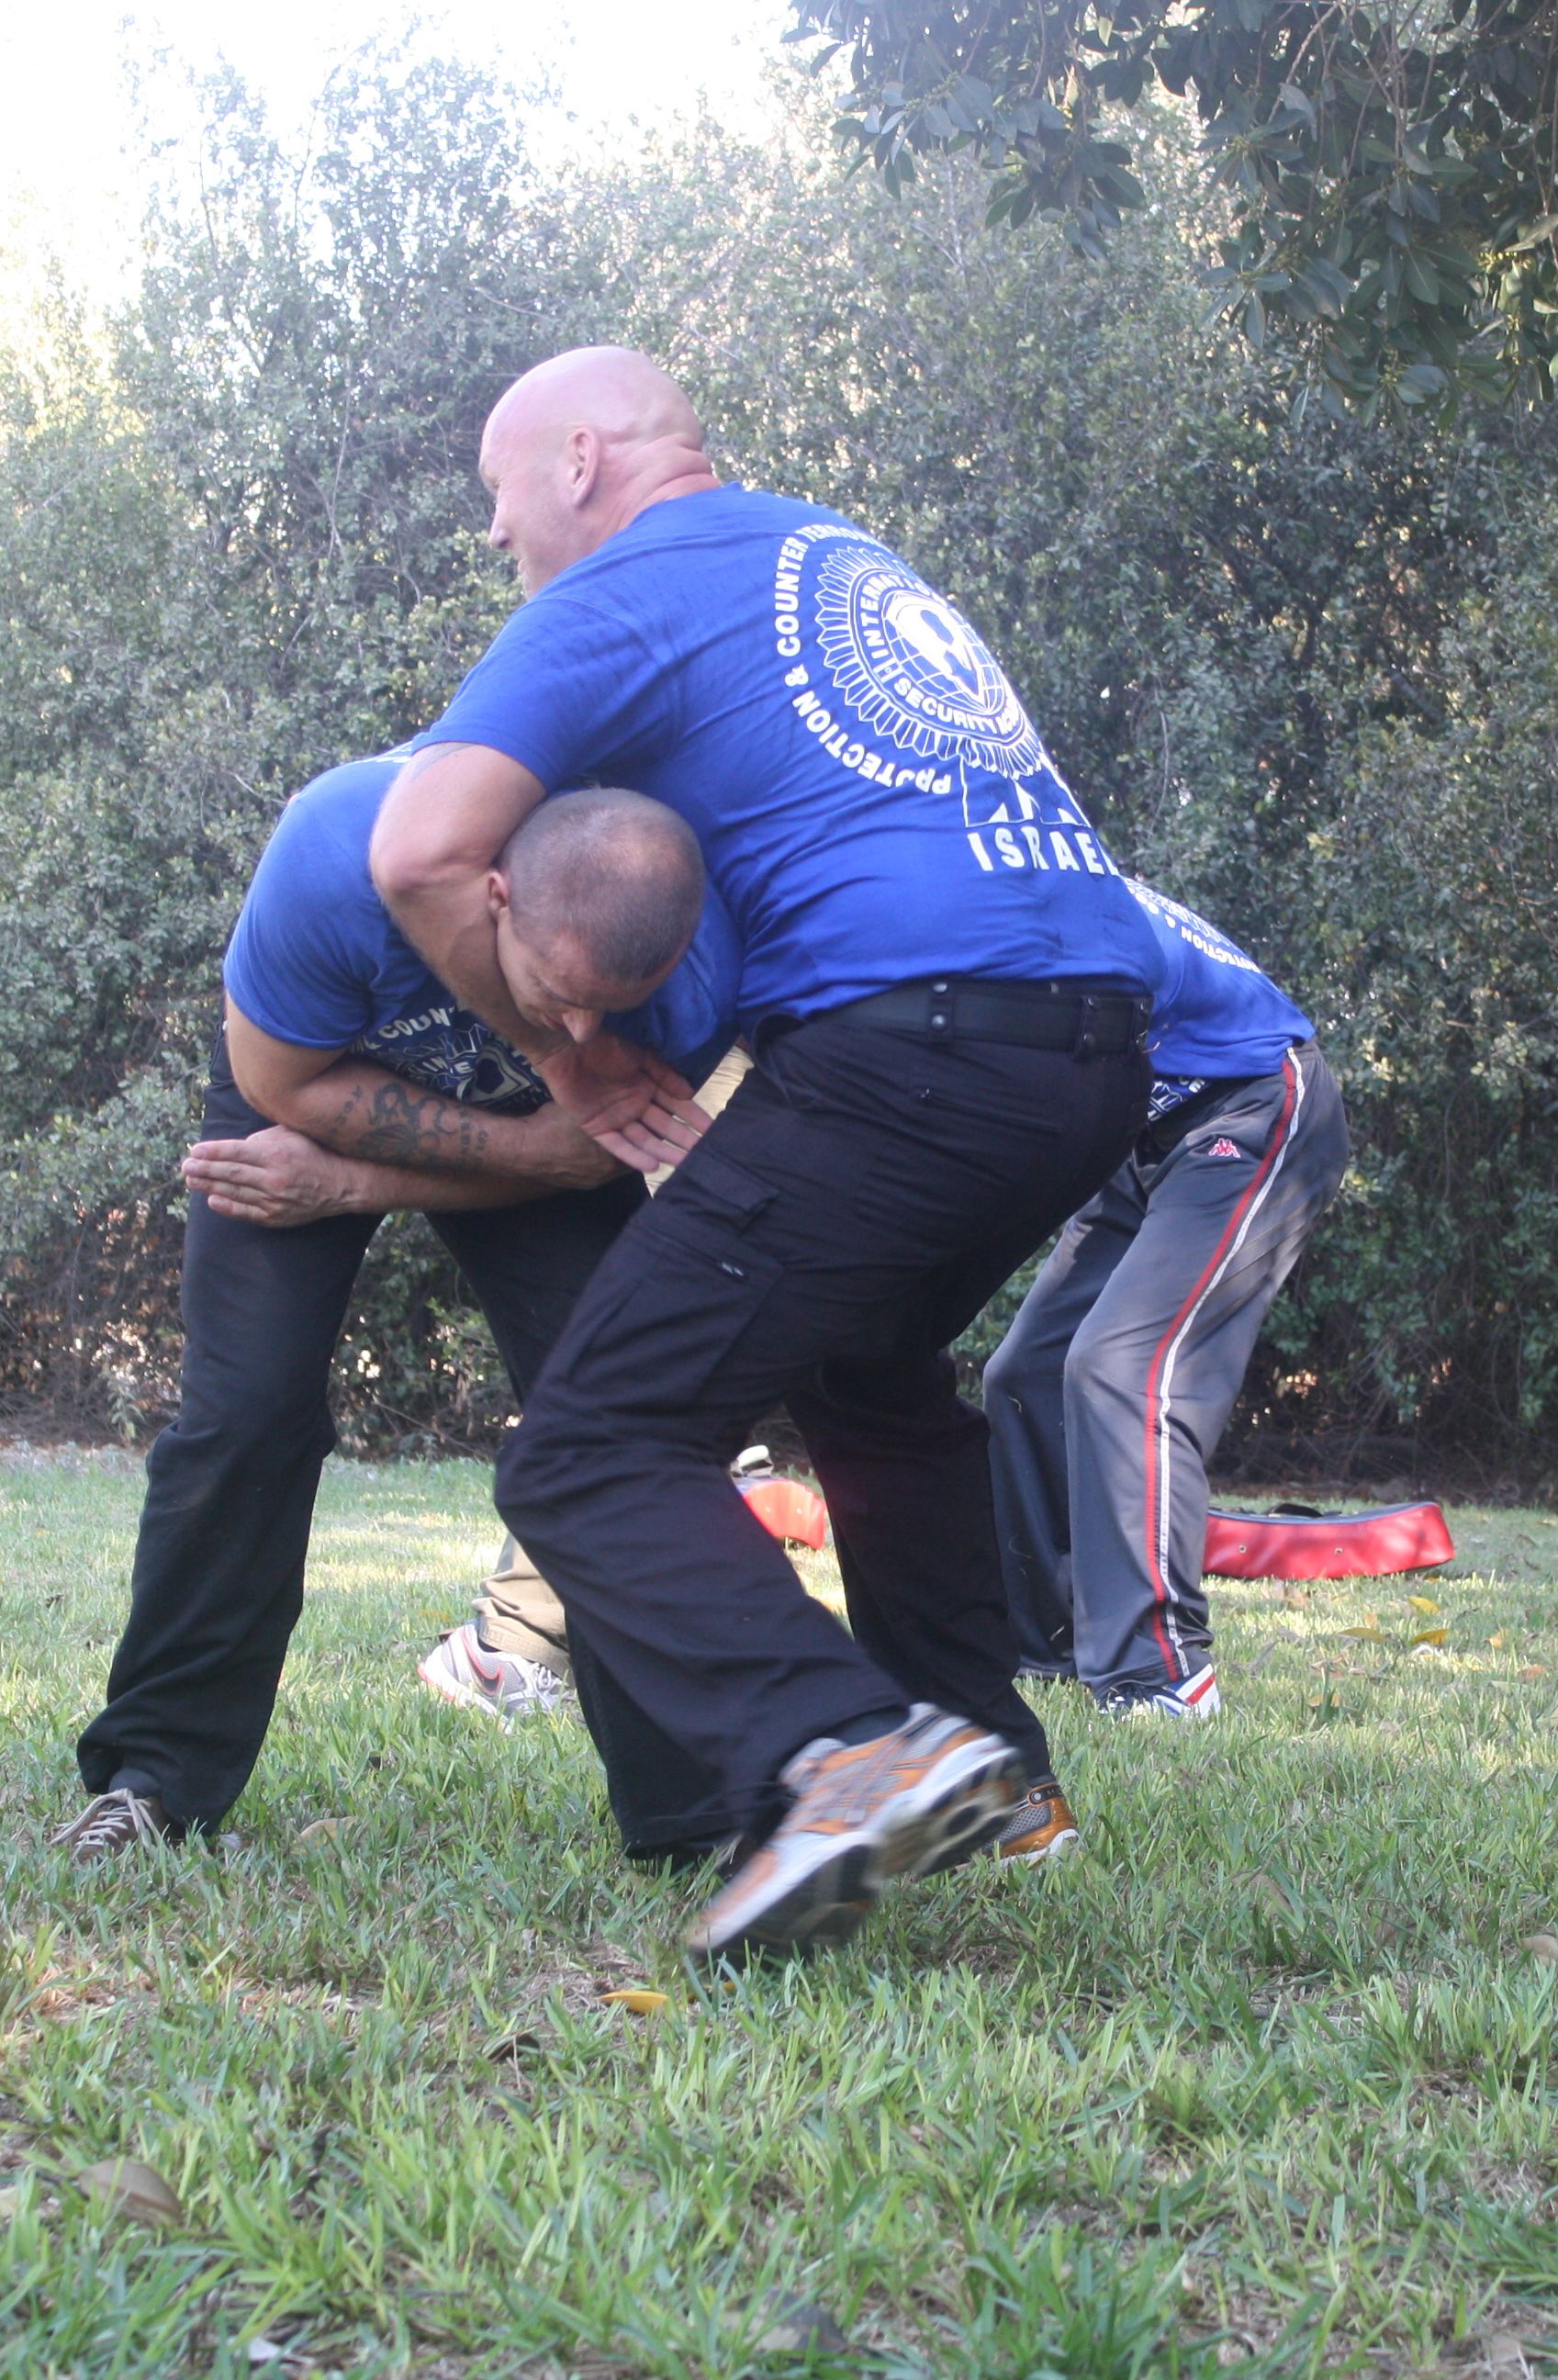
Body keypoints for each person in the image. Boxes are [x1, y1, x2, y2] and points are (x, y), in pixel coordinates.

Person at [369, 345, 1165, 1958]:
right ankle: (993, 1775)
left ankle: (850, 1757)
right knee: (873, 1389)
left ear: (580, 458)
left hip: (913, 1052)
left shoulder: (621, 589)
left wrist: (570, 1060)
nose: (497, 536)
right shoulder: (836, 551)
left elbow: (416, 851)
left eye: (497, 494)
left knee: (588, 1448)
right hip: (1088, 1052)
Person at [56, 770, 740, 1860]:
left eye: (612, 1008)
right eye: (554, 991)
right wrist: (371, 1167)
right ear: (495, 897)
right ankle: (154, 1783)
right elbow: (284, 1089)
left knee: (622, 1429)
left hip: (537, 1145)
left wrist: (362, 1185)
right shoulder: (336, 862)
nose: (578, 1026)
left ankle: (695, 1820)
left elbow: (579, 1163)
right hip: (306, 1088)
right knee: (245, 1412)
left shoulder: (700, 949)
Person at [987, 881, 1349, 1777]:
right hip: (1139, 1141)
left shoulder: (1040, 898)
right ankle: (1052, 1650)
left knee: (1124, 1366)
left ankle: (1160, 1675)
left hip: (1253, 1100)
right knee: (1022, 1378)